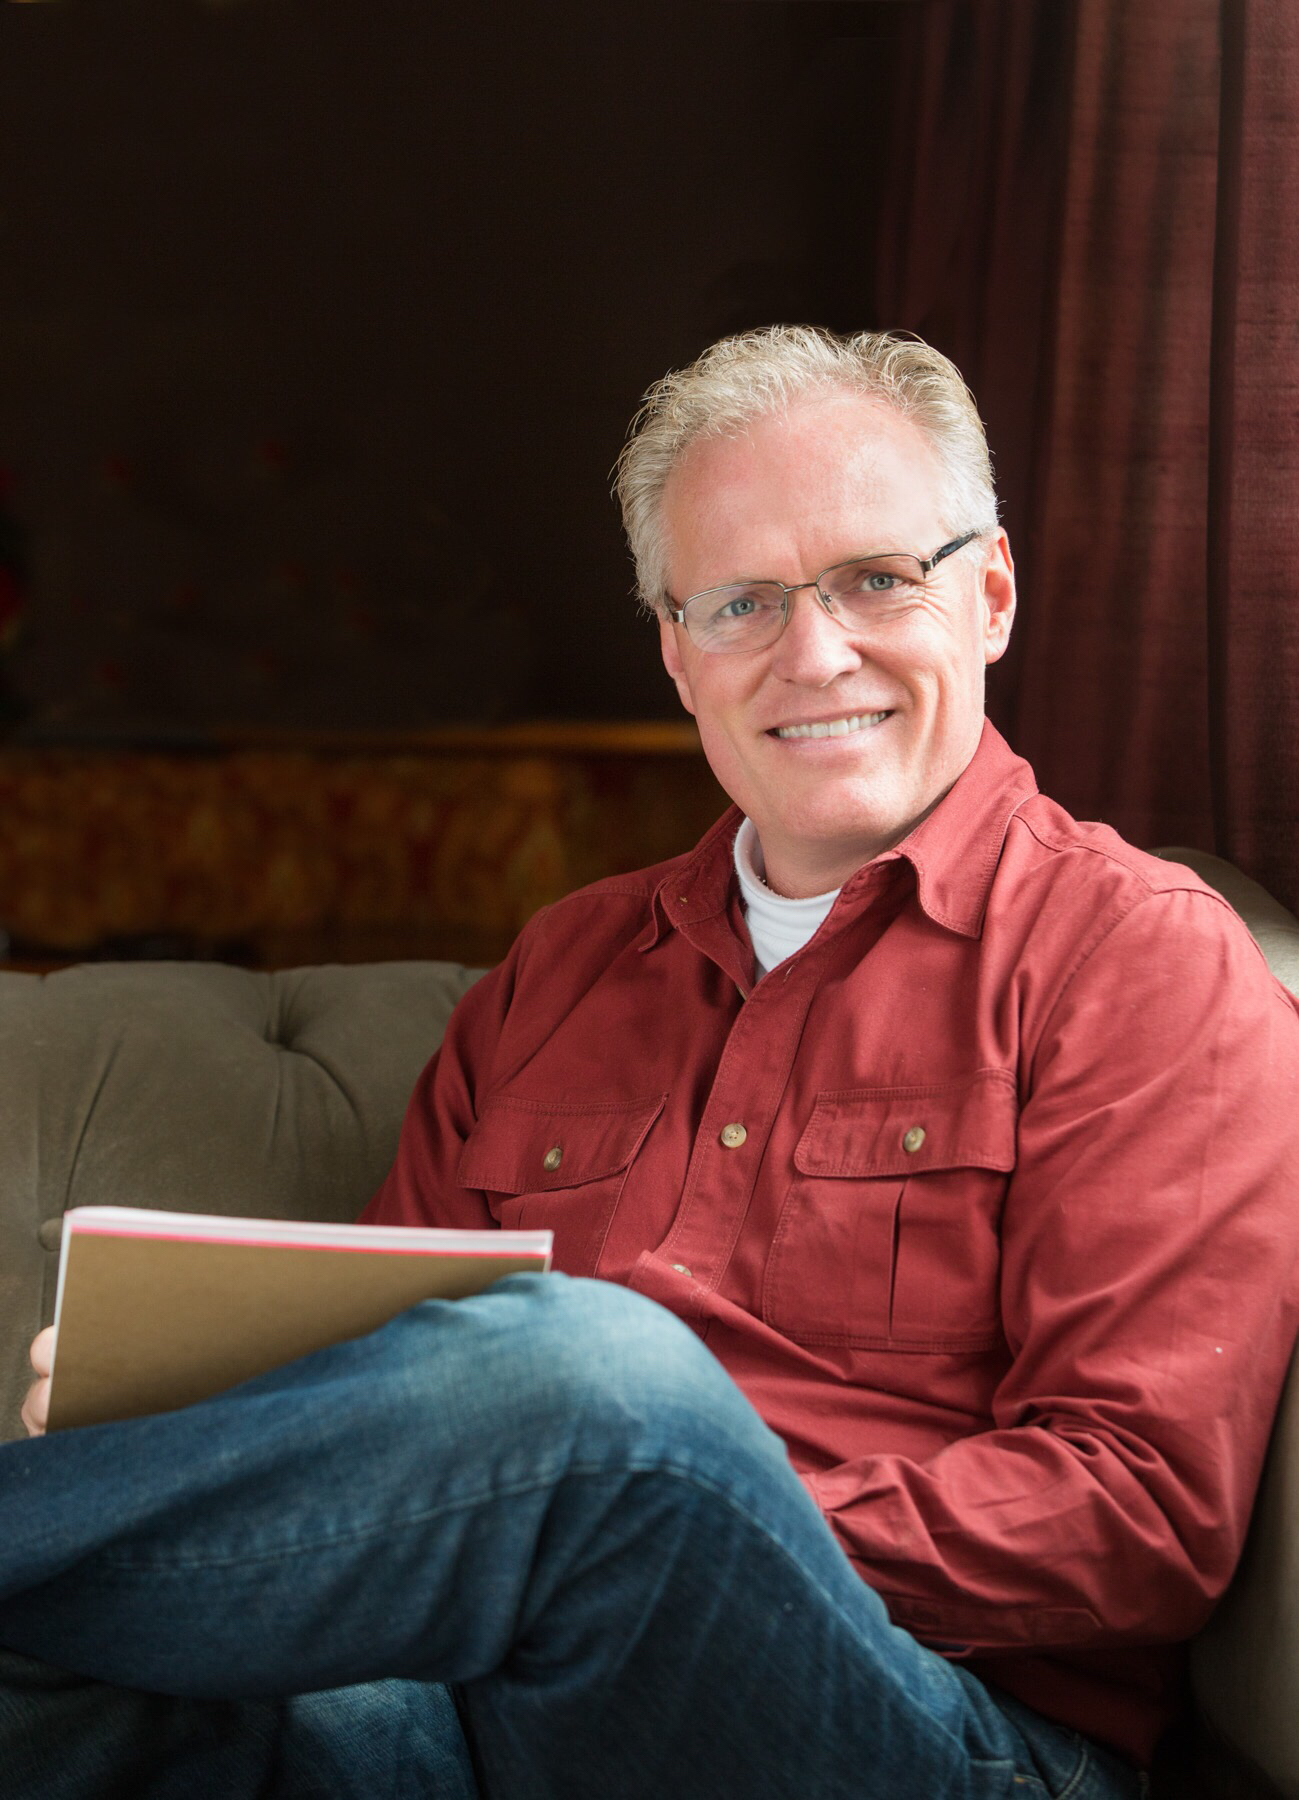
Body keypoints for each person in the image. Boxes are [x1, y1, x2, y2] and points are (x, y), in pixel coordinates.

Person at [4, 326, 1299, 1800]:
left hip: (942, 1736)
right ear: (679, 655)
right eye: (742, 603)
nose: (815, 655)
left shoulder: (1137, 957)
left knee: (609, 1388)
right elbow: (391, 1383)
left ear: (989, 594)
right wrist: (205, 1439)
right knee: (141, 1706)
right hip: (493, 1711)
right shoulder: (563, 969)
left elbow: (1137, 1515)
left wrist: (668, 1508)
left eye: (877, 578)